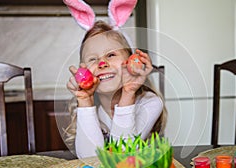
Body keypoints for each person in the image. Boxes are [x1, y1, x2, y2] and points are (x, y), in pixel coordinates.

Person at [65, 20, 167, 158]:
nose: (102, 63)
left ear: (131, 60)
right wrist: (85, 101)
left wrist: (128, 93)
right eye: (93, 59)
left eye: (111, 55)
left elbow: (121, 155)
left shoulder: (151, 103)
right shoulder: (88, 107)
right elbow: (89, 160)